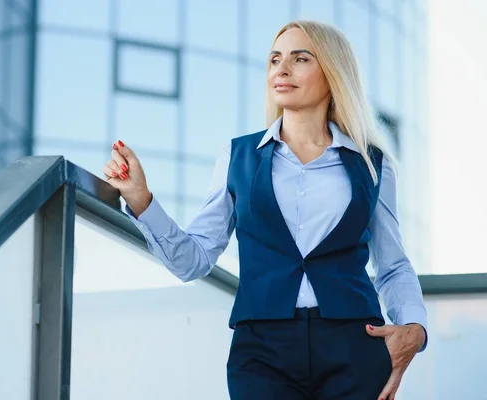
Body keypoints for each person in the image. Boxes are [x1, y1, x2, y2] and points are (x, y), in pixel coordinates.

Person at [102, 20, 427, 400]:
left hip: (354, 344)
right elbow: (194, 260)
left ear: (332, 73)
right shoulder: (238, 156)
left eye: (300, 58)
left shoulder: (372, 164)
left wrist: (414, 328)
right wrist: (142, 201)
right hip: (262, 350)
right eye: (275, 59)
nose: (281, 69)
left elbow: (393, 264)